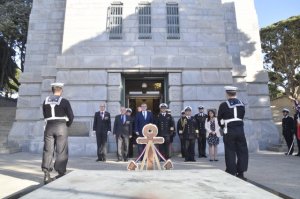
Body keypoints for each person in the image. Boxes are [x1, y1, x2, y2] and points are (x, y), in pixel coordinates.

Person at [41, 82, 74, 183]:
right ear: (61, 90)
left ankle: (46, 173)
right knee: (61, 150)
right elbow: (71, 116)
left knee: (48, 150)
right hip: (61, 127)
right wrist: (67, 124)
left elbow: (44, 114)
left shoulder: (45, 101)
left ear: (52, 90)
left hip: (49, 127)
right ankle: (60, 171)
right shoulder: (64, 101)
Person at [217, 86, 248, 179]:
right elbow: (242, 116)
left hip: (229, 130)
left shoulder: (223, 104)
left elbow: (220, 119)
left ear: (227, 93)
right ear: (235, 93)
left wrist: (223, 126)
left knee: (230, 151)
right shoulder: (242, 104)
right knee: (242, 151)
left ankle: (231, 171)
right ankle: (241, 172)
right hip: (240, 130)